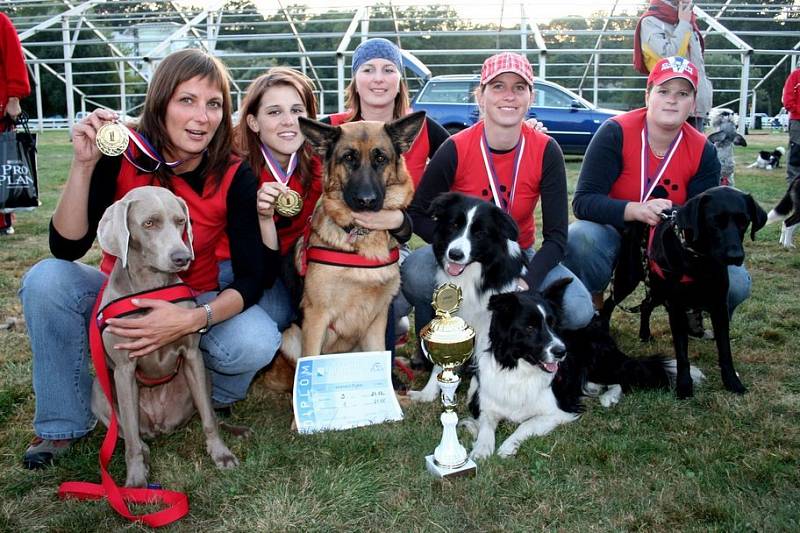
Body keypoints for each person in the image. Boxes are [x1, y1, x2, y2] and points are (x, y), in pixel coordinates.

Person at [19, 49, 281, 468]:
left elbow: (254, 276)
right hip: (121, 293)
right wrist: (84, 165)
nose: (202, 117)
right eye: (187, 100)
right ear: (160, 103)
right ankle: (62, 424)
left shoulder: (233, 173)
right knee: (48, 280)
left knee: (256, 341)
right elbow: (67, 247)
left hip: (192, 293)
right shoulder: (124, 152)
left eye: (214, 104)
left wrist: (191, 318)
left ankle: (201, 400)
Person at [402, 51, 595, 340]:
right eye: (498, 86)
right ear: (480, 96)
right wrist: (454, 246)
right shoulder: (456, 147)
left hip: (517, 254)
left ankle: (524, 340)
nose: (509, 96)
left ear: (530, 98)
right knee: (416, 273)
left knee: (579, 309)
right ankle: (435, 341)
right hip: (463, 252)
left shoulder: (546, 150)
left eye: (519, 88)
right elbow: (416, 214)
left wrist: (526, 280)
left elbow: (556, 238)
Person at [563, 56, 751, 322]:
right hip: (617, 231)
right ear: (648, 95)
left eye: (682, 93)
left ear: (693, 103)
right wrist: (635, 210)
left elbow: (703, 218)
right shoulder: (615, 131)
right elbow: (583, 202)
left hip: (673, 238)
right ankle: (592, 303)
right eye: (663, 91)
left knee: (737, 281)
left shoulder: (703, 150)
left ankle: (691, 306)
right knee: (580, 237)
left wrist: (670, 217)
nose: (672, 100)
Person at [324, 38, 451, 357]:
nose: (378, 77)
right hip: (335, 239)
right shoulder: (333, 129)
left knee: (404, 281)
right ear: (355, 80)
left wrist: (523, 130)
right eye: (368, 69)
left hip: (393, 241)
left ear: (399, 80)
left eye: (388, 69)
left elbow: (466, 155)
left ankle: (425, 348)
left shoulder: (421, 128)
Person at [227, 66, 321, 331]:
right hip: (248, 265)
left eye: (296, 110)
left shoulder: (321, 164)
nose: (289, 121)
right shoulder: (234, 167)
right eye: (274, 112)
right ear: (253, 122)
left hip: (297, 261)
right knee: (278, 313)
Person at [634, 0, 711, 131]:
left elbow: (698, 67)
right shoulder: (651, 21)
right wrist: (684, 24)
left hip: (695, 105)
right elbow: (670, 60)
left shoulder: (688, 21)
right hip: (669, 106)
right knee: (669, 149)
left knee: (695, 150)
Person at [1, 12, 31, 235]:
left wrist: (14, 98)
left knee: (2, 165)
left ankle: (3, 220)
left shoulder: (1, 22)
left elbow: (14, 59)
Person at [782, 65, 800, 185]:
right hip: (797, 121)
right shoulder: (795, 76)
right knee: (796, 152)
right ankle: (793, 184)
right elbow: (788, 101)